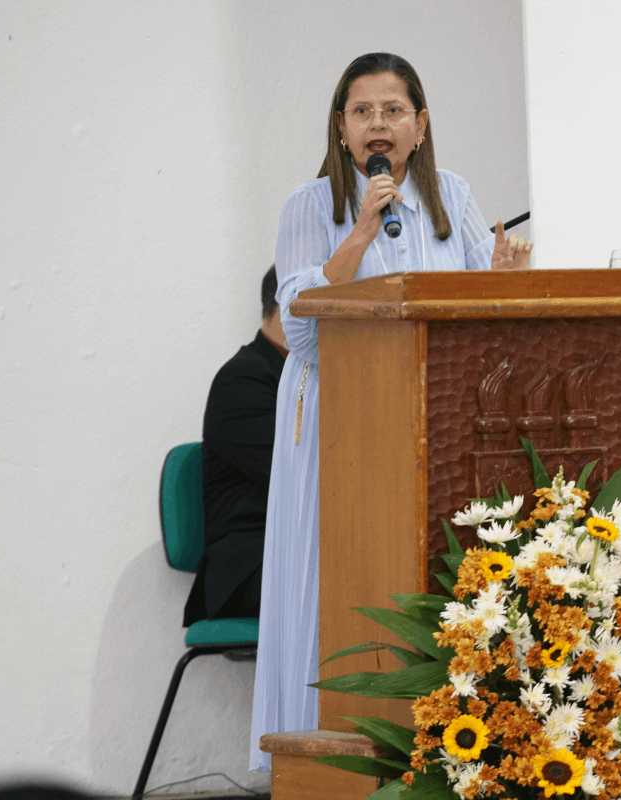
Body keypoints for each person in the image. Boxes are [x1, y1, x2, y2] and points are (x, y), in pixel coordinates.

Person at [249, 52, 532, 771]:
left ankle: (443, 748)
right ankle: (331, 752)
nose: (379, 123)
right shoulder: (307, 207)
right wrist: (360, 235)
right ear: (341, 129)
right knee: (338, 577)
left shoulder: (454, 198)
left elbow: (478, 326)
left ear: (421, 125)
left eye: (393, 110)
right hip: (338, 423)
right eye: (363, 111)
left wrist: (499, 282)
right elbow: (301, 327)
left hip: (436, 423)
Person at [183, 266, 287, 625]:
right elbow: (303, 470)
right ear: (293, 305)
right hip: (251, 561)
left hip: (296, 551)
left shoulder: (315, 375)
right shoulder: (242, 379)